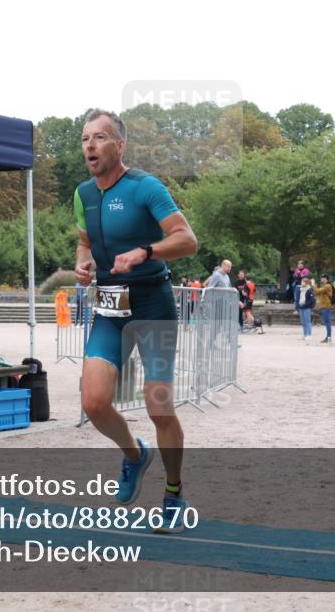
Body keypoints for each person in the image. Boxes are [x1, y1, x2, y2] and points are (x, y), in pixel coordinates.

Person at [73, 109, 198, 532]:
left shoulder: (145, 187)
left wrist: (146, 251)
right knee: (93, 401)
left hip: (152, 305)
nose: (91, 145)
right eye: (86, 138)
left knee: (159, 406)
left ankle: (174, 492)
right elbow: (85, 239)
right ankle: (133, 455)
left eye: (100, 138)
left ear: (119, 146)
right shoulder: (83, 194)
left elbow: (187, 239)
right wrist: (84, 263)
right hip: (110, 306)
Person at [314, 274, 334, 343]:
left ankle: (328, 338)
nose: (322, 279)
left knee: (327, 322)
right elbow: (317, 293)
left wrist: (314, 285)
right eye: (322, 278)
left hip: (327, 306)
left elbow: (317, 291)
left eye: (324, 278)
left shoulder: (327, 286)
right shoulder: (324, 286)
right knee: (326, 322)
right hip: (324, 306)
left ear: (327, 279)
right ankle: (328, 337)